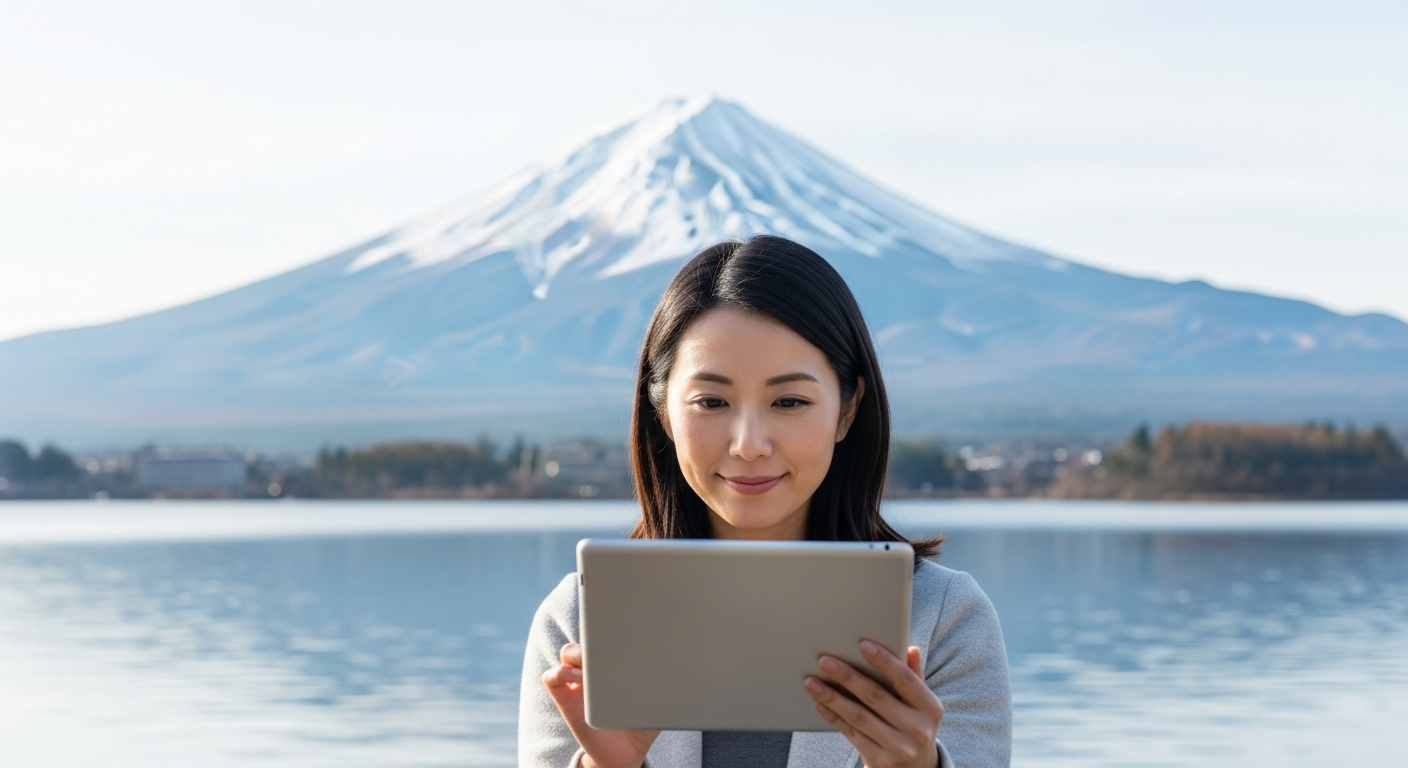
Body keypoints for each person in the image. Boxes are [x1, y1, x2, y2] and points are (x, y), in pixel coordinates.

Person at [518, 236, 1011, 768]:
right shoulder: (581, 624)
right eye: (711, 401)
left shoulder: (943, 620)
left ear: (848, 410)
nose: (748, 444)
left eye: (789, 401)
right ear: (662, 411)